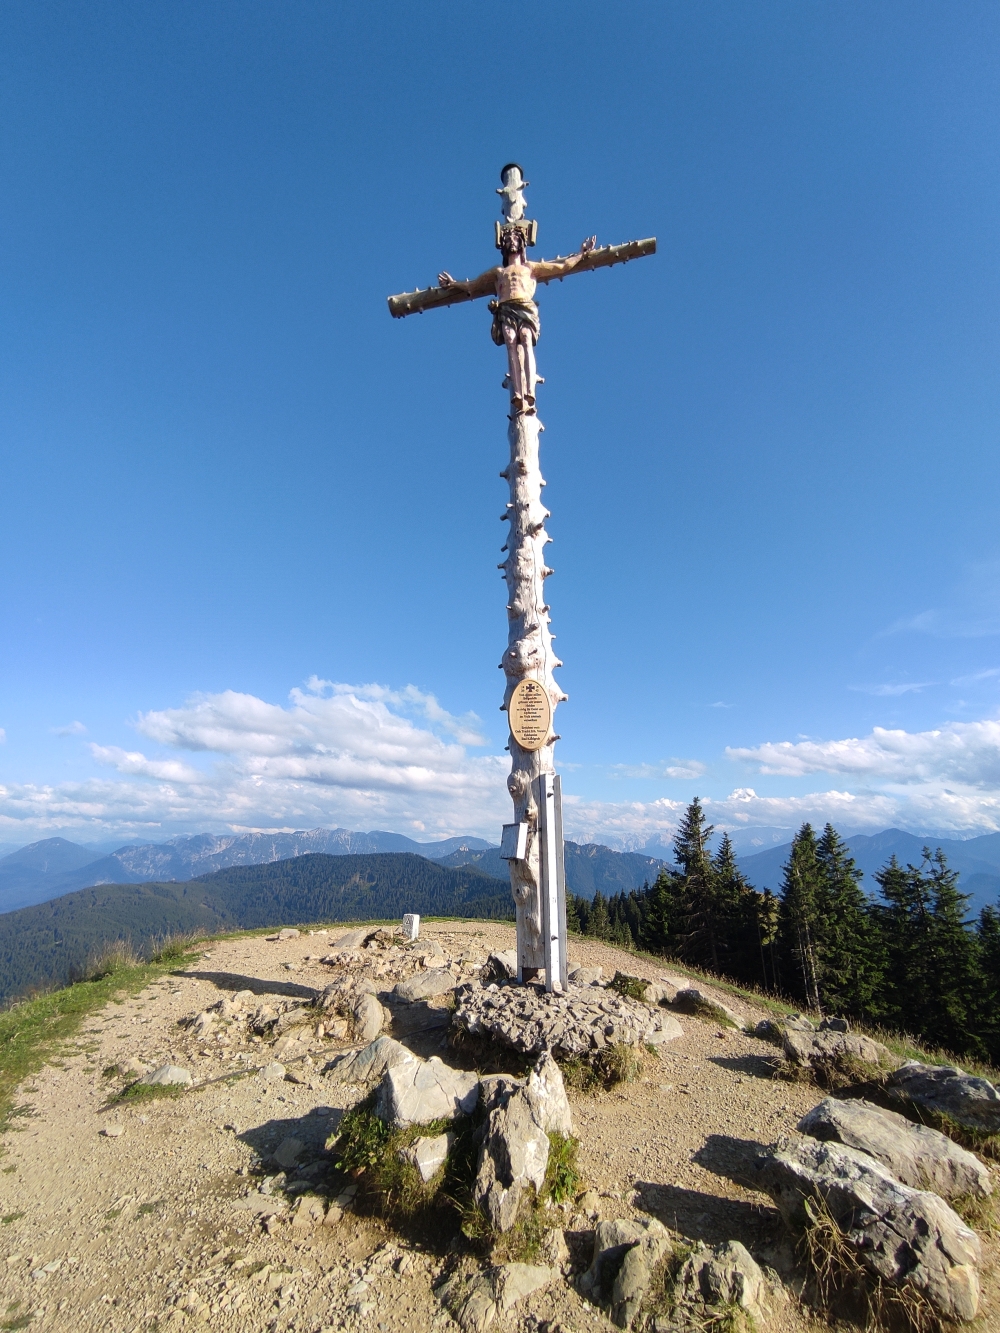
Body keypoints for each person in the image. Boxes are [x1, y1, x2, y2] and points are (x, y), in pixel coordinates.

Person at [438, 230, 596, 413]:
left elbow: (562, 267)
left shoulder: (530, 268)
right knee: (511, 343)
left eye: (514, 239)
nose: (511, 242)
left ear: (521, 244)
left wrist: (582, 253)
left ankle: (530, 391)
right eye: (507, 240)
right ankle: (518, 393)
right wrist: (453, 284)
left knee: (526, 339)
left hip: (525, 307)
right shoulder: (499, 272)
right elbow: (473, 285)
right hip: (506, 309)